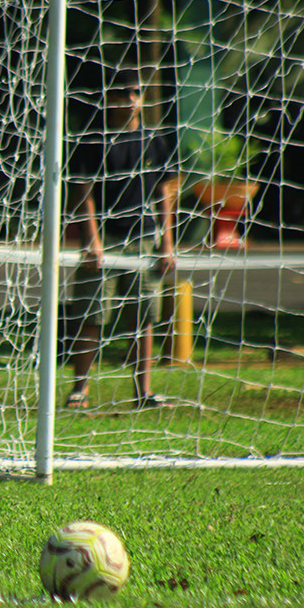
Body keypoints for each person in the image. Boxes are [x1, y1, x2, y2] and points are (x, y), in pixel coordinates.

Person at [65, 69, 177, 410]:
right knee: (93, 316)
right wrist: (92, 240)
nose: (129, 101)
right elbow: (84, 193)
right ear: (110, 98)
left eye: (135, 93)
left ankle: (143, 392)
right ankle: (79, 390)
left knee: (143, 318)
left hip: (144, 242)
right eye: (123, 94)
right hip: (106, 242)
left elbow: (165, 192)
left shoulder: (155, 141)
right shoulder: (93, 139)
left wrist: (166, 243)